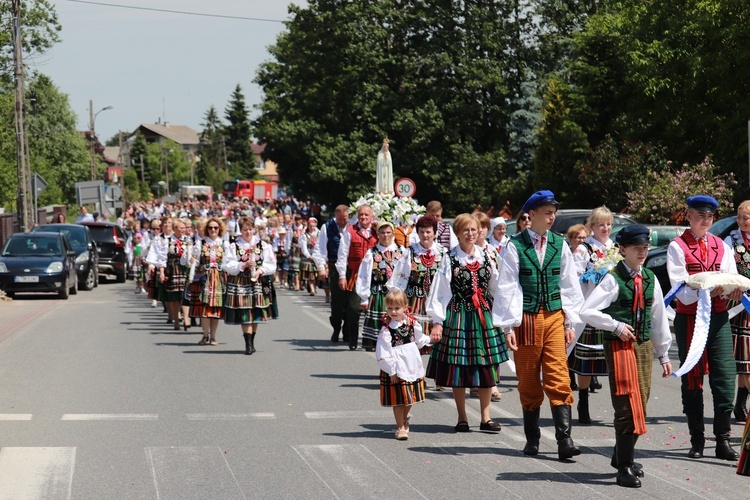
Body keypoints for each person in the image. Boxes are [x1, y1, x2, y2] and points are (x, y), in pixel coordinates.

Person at [579, 225, 673, 488]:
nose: (642, 253)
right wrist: (615, 326)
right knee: (626, 405)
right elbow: (587, 311)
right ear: (623, 250)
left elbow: (658, 319)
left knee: (640, 404)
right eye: (636, 249)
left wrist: (664, 354)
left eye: (645, 248)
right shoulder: (612, 278)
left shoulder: (651, 279)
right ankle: (624, 467)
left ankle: (622, 456)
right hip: (619, 347)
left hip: (642, 346)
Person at [494, 190, 584, 461]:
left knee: (559, 376)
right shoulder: (514, 245)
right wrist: (508, 327)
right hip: (527, 319)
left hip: (555, 317)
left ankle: (564, 440)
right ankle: (532, 438)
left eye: (553, 212)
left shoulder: (560, 244)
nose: (552, 217)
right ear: (530, 215)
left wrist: (570, 321)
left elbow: (569, 284)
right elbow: (507, 287)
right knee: (530, 380)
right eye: (547, 212)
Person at [667, 194, 743, 460]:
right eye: (700, 216)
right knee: (692, 377)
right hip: (690, 318)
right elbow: (680, 287)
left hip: (719, 317)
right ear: (688, 216)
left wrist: (733, 291)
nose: (706, 220)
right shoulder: (677, 246)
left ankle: (722, 440)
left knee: (725, 376)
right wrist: (706, 293)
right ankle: (697, 440)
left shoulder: (721, 245)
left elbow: (731, 276)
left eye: (710, 216)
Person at [426, 213, 509, 433]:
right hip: (459, 315)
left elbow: (496, 287)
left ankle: (485, 417)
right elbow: (440, 291)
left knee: (485, 366)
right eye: (465, 230)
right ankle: (462, 417)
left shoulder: (487, 256)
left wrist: (504, 318)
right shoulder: (449, 258)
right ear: (457, 233)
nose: (470, 234)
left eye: (474, 229)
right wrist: (437, 321)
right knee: (459, 366)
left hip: (484, 315)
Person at [388, 215, 447, 389]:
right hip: (415, 301)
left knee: (439, 340)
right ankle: (414, 376)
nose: (425, 236)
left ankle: (439, 377)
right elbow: (399, 278)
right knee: (413, 340)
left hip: (437, 301)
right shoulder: (409, 252)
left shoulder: (443, 253)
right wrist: (397, 303)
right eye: (422, 232)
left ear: (434, 233)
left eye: (428, 232)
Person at [571, 206, 617, 424]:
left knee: (613, 359)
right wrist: (591, 275)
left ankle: (619, 406)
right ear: (591, 226)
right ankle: (583, 401)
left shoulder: (615, 248)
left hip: (610, 309)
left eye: (608, 224)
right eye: (601, 224)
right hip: (590, 307)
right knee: (587, 360)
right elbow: (574, 277)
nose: (605, 228)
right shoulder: (584, 249)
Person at [376, 289, 430, 440]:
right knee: (399, 399)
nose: (393, 311)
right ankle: (400, 427)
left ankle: (404, 419)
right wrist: (392, 371)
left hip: (411, 366)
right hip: (397, 368)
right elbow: (383, 352)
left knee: (410, 397)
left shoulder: (412, 324)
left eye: (397, 308)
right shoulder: (387, 330)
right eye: (390, 308)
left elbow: (419, 340)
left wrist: (431, 340)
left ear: (405, 307)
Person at [223, 217, 277, 355]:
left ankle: (251, 341)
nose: (248, 232)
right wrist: (243, 265)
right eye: (244, 230)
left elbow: (271, 265)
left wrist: (260, 270)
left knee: (255, 311)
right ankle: (248, 344)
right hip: (241, 283)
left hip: (258, 281)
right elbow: (226, 265)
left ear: (254, 229)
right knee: (245, 311)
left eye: (250, 229)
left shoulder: (263, 245)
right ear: (240, 231)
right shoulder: (233, 246)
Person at [357, 221, 406, 352]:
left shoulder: (402, 251)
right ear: (378, 234)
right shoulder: (372, 253)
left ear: (393, 234)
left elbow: (406, 274)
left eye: (388, 232)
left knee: (396, 325)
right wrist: (364, 298)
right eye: (382, 232)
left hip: (396, 295)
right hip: (378, 295)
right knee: (379, 326)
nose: (386, 235)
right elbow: (364, 276)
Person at [336, 204, 378, 350]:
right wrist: (342, 275)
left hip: (374, 274)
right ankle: (353, 338)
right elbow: (342, 254)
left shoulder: (378, 231)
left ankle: (369, 341)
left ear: (372, 217)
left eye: (367, 215)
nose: (364, 217)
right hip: (355, 274)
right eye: (361, 215)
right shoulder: (350, 231)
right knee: (353, 307)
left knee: (373, 308)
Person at [184, 217, 230, 346]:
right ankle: (205, 335)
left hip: (219, 278)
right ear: (207, 230)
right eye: (210, 228)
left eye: (215, 228)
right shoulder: (201, 244)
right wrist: (192, 261)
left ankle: (213, 337)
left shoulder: (225, 244)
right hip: (205, 277)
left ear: (220, 229)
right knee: (204, 309)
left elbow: (229, 262)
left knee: (215, 309)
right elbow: (195, 260)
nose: (213, 230)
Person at [724, 200, 750, 424]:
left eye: (746, 218)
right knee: (743, 358)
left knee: (748, 360)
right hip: (740, 304)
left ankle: (741, 402)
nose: (741, 222)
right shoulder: (731, 240)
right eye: (739, 217)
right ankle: (740, 405)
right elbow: (725, 270)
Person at [314, 205, 350, 341]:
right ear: (335, 216)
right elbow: (320, 249)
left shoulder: (353, 227)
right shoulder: (327, 227)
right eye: (340, 219)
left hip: (351, 268)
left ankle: (347, 329)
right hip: (334, 267)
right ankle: (336, 327)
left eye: (345, 219)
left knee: (351, 302)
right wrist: (321, 267)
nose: (343, 221)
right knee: (337, 303)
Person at [299, 217, 320, 296]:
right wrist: (308, 255)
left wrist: (318, 255)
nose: (312, 228)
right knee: (311, 274)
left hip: (317, 256)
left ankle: (313, 286)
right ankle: (312, 289)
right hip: (309, 257)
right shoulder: (304, 234)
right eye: (310, 226)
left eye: (313, 226)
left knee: (316, 274)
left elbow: (321, 245)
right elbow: (303, 246)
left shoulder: (319, 233)